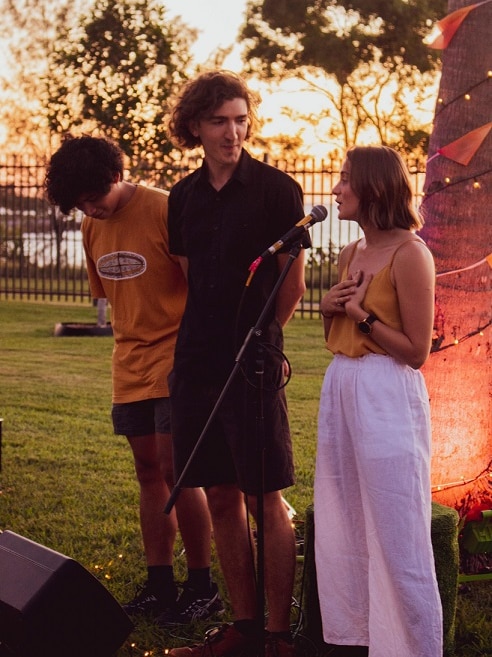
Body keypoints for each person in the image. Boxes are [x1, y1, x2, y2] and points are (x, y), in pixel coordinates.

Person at [44, 135, 223, 624]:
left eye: (94, 199)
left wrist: (197, 359)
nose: (90, 210)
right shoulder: (90, 225)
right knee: (148, 473)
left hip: (176, 360)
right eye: (80, 204)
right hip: (129, 362)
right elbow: (114, 296)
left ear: (116, 178)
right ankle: (159, 584)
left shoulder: (166, 209)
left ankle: (202, 587)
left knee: (176, 471)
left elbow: (200, 289)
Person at [165, 71, 308, 657]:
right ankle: (243, 628)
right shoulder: (182, 197)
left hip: (252, 363)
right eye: (220, 121)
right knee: (220, 493)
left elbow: (293, 280)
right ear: (195, 126)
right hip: (196, 360)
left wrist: (264, 343)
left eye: (241, 120)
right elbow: (187, 276)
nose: (233, 132)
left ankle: (277, 636)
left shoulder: (278, 191)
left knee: (263, 493)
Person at [314, 145, 443, 657]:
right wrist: (329, 309)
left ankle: (411, 644)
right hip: (342, 388)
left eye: (345, 179)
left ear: (374, 188)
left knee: (395, 522)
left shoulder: (411, 254)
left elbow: (416, 351)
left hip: (387, 394)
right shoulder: (350, 253)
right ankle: (359, 635)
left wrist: (363, 316)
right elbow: (333, 336)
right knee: (344, 516)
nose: (336, 189)